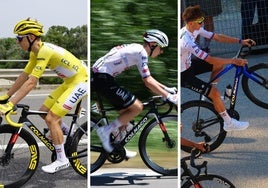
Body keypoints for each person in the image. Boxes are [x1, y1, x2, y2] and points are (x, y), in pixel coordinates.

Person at [0, 18, 88, 173]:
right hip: (70, 81)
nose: (17, 42)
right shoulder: (36, 52)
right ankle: (71, 134)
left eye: (19, 38)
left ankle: (62, 160)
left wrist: (11, 104)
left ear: (31, 37)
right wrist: (6, 97)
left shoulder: (44, 50)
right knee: (43, 111)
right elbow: (24, 76)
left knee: (51, 118)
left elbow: (31, 82)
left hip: (82, 81)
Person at [92, 29, 178, 156]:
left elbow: (148, 78)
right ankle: (106, 131)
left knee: (126, 118)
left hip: (101, 77)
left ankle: (118, 147)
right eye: (161, 47)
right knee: (137, 107)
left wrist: (166, 89)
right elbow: (147, 82)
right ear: (153, 44)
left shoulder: (137, 49)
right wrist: (169, 97)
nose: (162, 51)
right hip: (102, 78)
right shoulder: (141, 52)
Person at [180, 5, 256, 131]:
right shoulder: (186, 41)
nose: (203, 23)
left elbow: (217, 37)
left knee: (219, 64)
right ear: (192, 23)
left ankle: (209, 96)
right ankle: (228, 123)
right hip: (184, 76)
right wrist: (233, 61)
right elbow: (209, 59)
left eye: (203, 19)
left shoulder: (195, 29)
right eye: (200, 21)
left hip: (189, 65)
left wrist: (240, 41)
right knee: (215, 93)